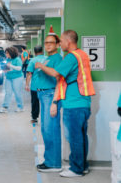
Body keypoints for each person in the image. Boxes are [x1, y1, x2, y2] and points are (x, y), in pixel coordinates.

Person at [35, 30, 95, 177]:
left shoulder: (71, 57)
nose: (60, 43)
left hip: (73, 103)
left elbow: (56, 74)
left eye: (61, 41)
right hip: (84, 102)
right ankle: (83, 165)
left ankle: (76, 169)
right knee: (81, 136)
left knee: (74, 137)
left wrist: (40, 66)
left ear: (68, 41)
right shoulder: (82, 55)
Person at [35, 35, 63, 172]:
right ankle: (50, 160)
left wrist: (55, 102)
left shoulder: (57, 58)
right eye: (46, 43)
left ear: (58, 45)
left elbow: (57, 75)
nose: (48, 45)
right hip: (43, 95)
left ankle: (54, 163)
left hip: (50, 95)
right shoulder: (48, 59)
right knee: (46, 129)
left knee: (51, 129)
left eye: (51, 43)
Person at [0, 46, 24, 113]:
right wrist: (5, 70)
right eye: (6, 53)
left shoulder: (17, 59)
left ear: (11, 53)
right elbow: (9, 68)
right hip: (8, 77)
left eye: (7, 53)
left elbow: (19, 68)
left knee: (17, 92)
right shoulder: (8, 59)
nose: (6, 55)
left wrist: (10, 66)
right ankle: (5, 107)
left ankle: (20, 107)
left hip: (17, 78)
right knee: (8, 93)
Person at [25, 46, 46, 123]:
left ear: (34, 52)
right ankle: (46, 118)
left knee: (35, 102)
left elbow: (29, 73)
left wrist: (27, 84)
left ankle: (34, 118)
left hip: (35, 86)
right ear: (42, 51)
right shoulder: (47, 59)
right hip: (47, 86)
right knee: (46, 103)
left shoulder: (33, 60)